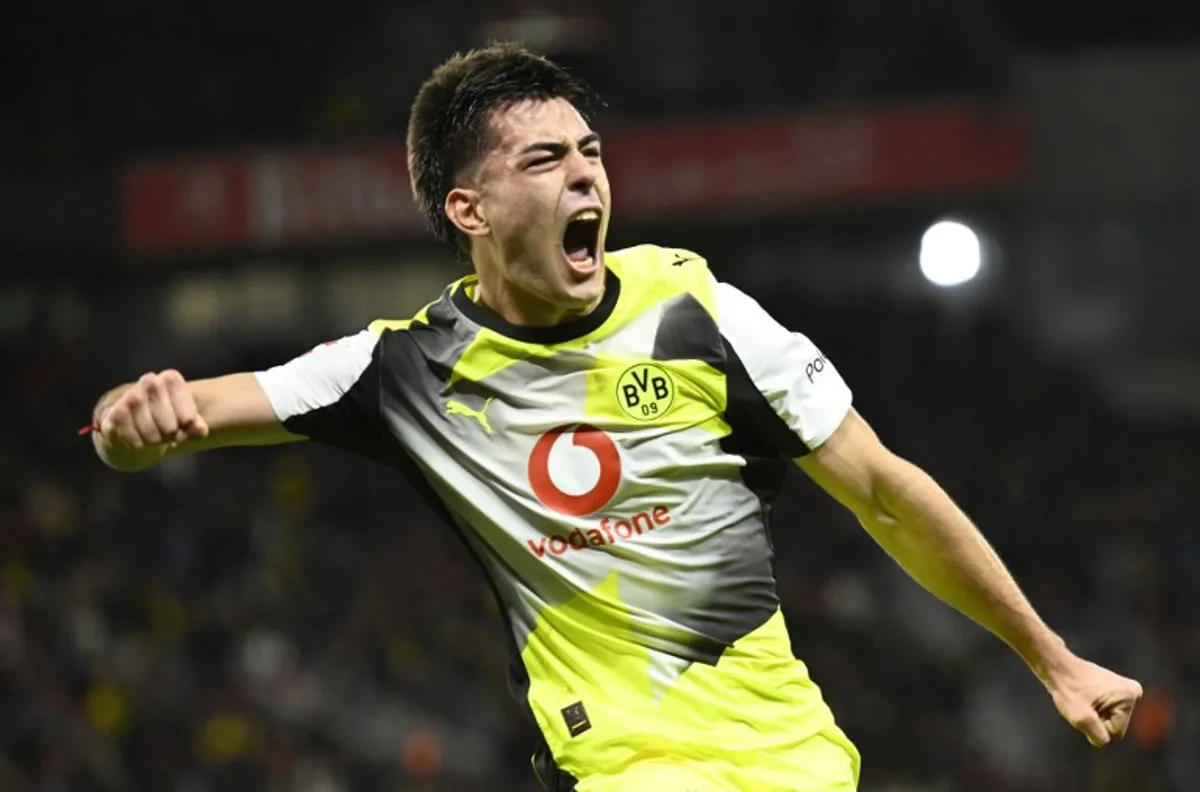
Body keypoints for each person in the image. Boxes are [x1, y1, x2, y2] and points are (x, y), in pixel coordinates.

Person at [86, 42, 1141, 791]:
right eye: (544, 160)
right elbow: (185, 413)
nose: (586, 173)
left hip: (796, 755)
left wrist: (1053, 657)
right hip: (623, 765)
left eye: (591, 152)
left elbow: (885, 493)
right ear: (470, 210)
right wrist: (133, 425)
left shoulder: (700, 308)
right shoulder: (404, 368)